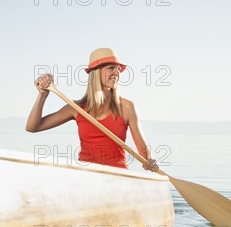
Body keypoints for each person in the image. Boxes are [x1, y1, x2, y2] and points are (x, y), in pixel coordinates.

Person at [26, 48, 159, 172]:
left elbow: (143, 151)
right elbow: (32, 127)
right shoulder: (76, 108)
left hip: (118, 176)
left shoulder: (127, 107)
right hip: (87, 175)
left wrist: (149, 160)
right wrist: (42, 95)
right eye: (111, 68)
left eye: (118, 69)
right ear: (96, 73)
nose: (117, 73)